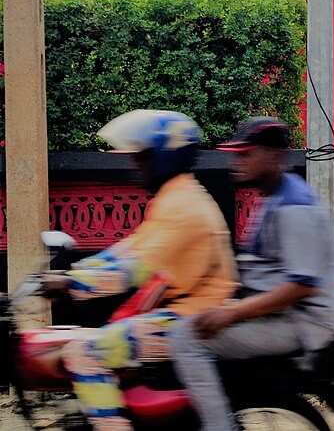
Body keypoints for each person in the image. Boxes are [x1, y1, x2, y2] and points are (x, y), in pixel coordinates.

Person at [47, 110, 237, 431]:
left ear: (165, 158)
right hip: (179, 310)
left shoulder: (183, 207)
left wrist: (69, 283)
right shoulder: (174, 197)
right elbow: (128, 249)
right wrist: (76, 272)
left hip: (190, 320)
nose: (136, 164)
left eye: (144, 157)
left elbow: (132, 269)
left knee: (84, 353)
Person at [170, 117, 334, 431]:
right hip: (277, 317)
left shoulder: (296, 206)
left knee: (186, 338)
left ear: (274, 156)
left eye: (246, 154)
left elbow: (300, 286)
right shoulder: (274, 199)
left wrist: (231, 314)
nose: (236, 161)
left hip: (301, 324)